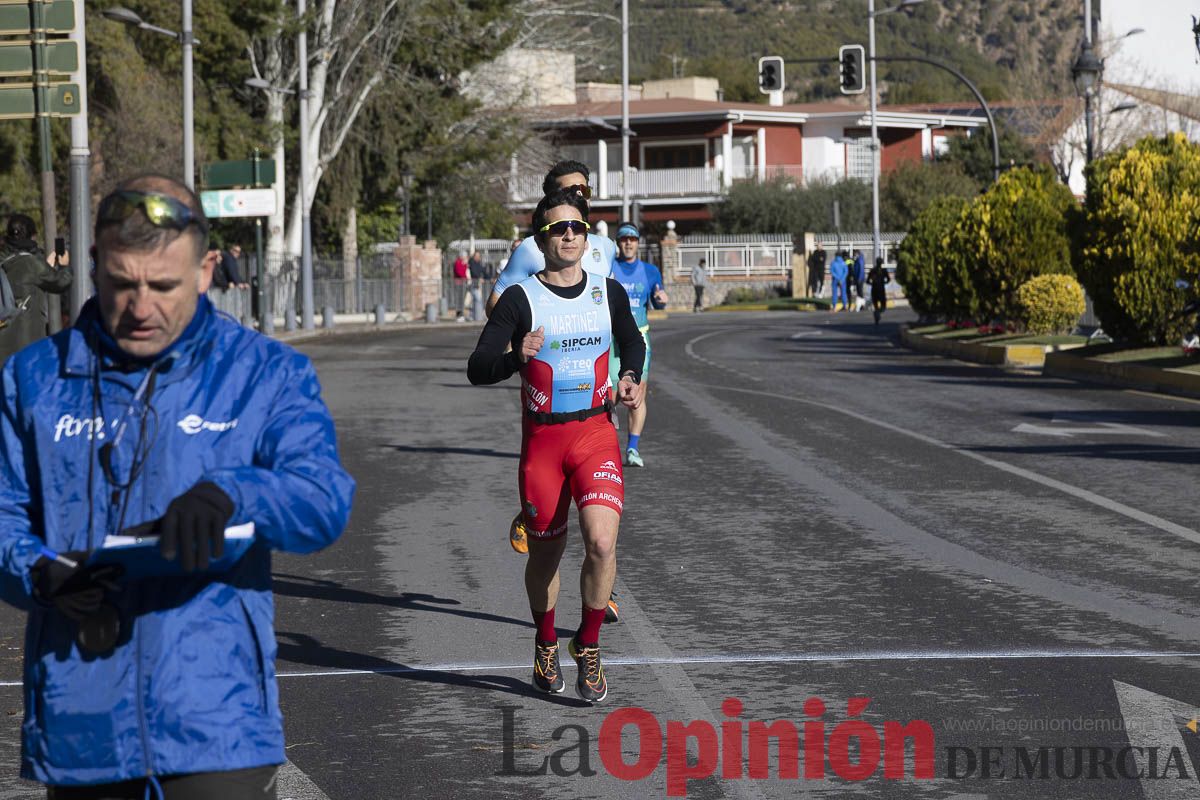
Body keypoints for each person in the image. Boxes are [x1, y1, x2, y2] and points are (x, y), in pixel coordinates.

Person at [0, 174, 355, 798]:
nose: (141, 307)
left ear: (206, 269)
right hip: (80, 721)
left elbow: (324, 499)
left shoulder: (266, 372)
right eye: (121, 285)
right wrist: (35, 571)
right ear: (94, 267)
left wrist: (234, 493)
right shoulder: (32, 377)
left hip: (217, 719)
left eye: (163, 285)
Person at [468, 189, 645, 703]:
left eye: (577, 227)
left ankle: (587, 645)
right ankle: (545, 639)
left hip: (595, 432)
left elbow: (630, 339)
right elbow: (477, 366)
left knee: (603, 543)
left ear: (587, 235)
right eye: (557, 228)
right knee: (546, 557)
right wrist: (514, 358)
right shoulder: (522, 298)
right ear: (541, 239)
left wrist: (629, 375)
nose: (569, 235)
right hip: (543, 441)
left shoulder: (606, 291)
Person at [484, 160, 616, 318]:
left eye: (583, 190)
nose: (579, 195)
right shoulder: (530, 248)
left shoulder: (606, 246)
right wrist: (518, 341)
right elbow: (495, 304)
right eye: (569, 191)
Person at [610, 222, 666, 469]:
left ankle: (632, 448)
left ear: (638, 242)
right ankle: (605, 447)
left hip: (639, 338)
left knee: (636, 393)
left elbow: (658, 301)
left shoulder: (651, 271)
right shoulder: (608, 268)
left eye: (633, 239)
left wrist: (661, 300)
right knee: (609, 394)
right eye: (624, 239)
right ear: (619, 243)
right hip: (612, 339)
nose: (629, 243)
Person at [0, 214, 73, 366]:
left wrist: (45, 266)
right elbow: (62, 281)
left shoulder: (4, 262)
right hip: (26, 346)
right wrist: (65, 265)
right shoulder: (31, 264)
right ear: (31, 237)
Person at [869, 256, 891, 325]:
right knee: (883, 305)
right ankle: (878, 313)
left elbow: (867, 281)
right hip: (881, 289)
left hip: (874, 289)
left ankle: (877, 312)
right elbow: (888, 279)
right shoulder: (883, 270)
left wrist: (872, 283)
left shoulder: (873, 270)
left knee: (876, 305)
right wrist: (884, 282)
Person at [453, 250, 470, 321]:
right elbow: (460, 273)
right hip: (459, 283)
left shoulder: (462, 262)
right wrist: (465, 265)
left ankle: (461, 313)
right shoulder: (458, 262)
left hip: (463, 283)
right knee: (459, 299)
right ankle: (459, 314)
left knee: (462, 299)